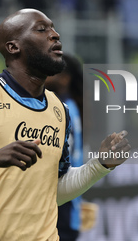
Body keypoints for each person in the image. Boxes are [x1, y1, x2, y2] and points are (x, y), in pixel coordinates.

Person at [0, 8, 131, 241]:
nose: (55, 34)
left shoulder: (59, 110)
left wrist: (98, 166)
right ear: (13, 47)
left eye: (53, 28)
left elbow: (51, 193)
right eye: (42, 30)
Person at [45, 54, 84, 240]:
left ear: (65, 78)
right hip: (66, 211)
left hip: (61, 213)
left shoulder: (61, 110)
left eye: (50, 71)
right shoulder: (69, 106)